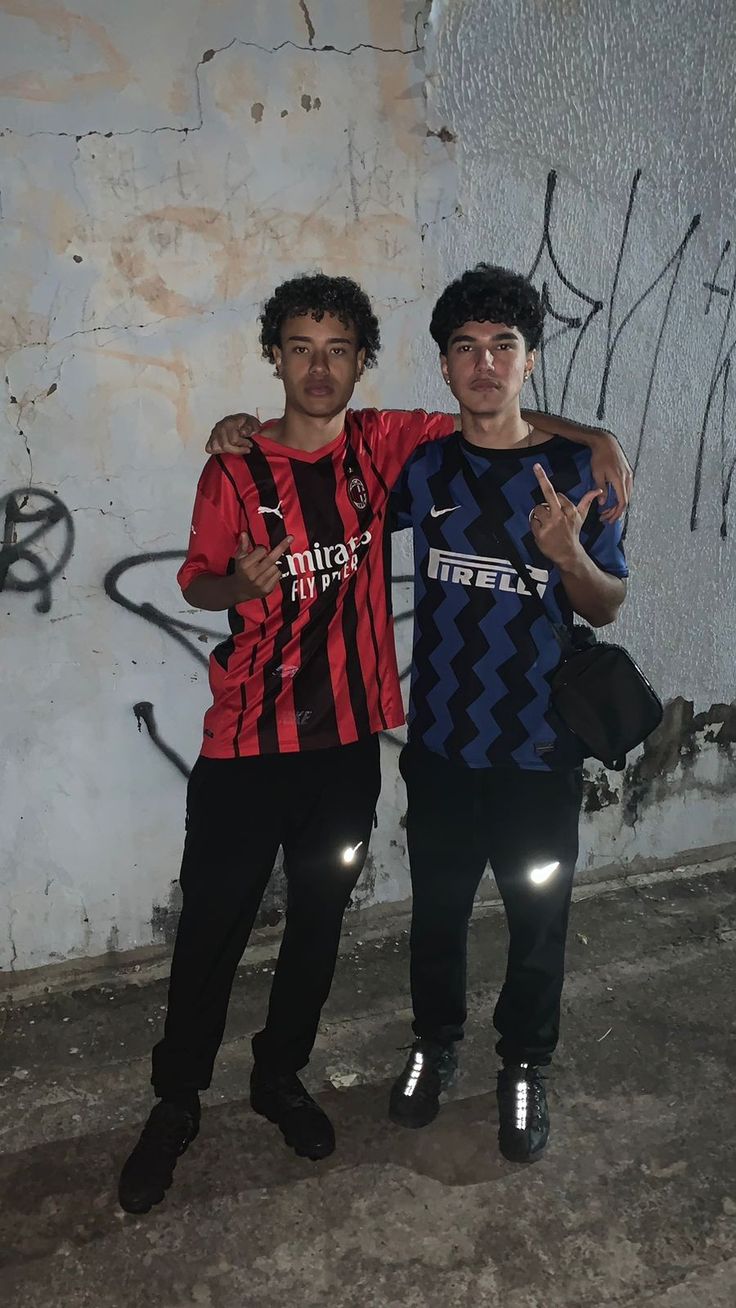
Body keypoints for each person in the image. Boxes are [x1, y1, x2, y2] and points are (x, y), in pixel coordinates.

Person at [119, 271, 630, 1214]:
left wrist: (593, 440)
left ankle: (285, 1077)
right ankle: (176, 1100)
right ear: (275, 357)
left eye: (339, 349)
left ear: (363, 363)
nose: (321, 367)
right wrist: (241, 586)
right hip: (263, 741)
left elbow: (499, 408)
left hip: (378, 742)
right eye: (302, 348)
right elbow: (196, 584)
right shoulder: (255, 467)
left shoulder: (395, 447)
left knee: (326, 926)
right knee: (215, 931)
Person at [383, 265, 628, 1164]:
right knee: (438, 913)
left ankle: (524, 1063)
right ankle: (434, 1043)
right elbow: (335, 451)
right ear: (446, 367)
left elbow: (604, 607)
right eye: (466, 349)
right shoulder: (424, 467)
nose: (485, 364)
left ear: (529, 361)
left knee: (538, 921)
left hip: (537, 752)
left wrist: (569, 556)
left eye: (504, 347)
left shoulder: (574, 473)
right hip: (443, 747)